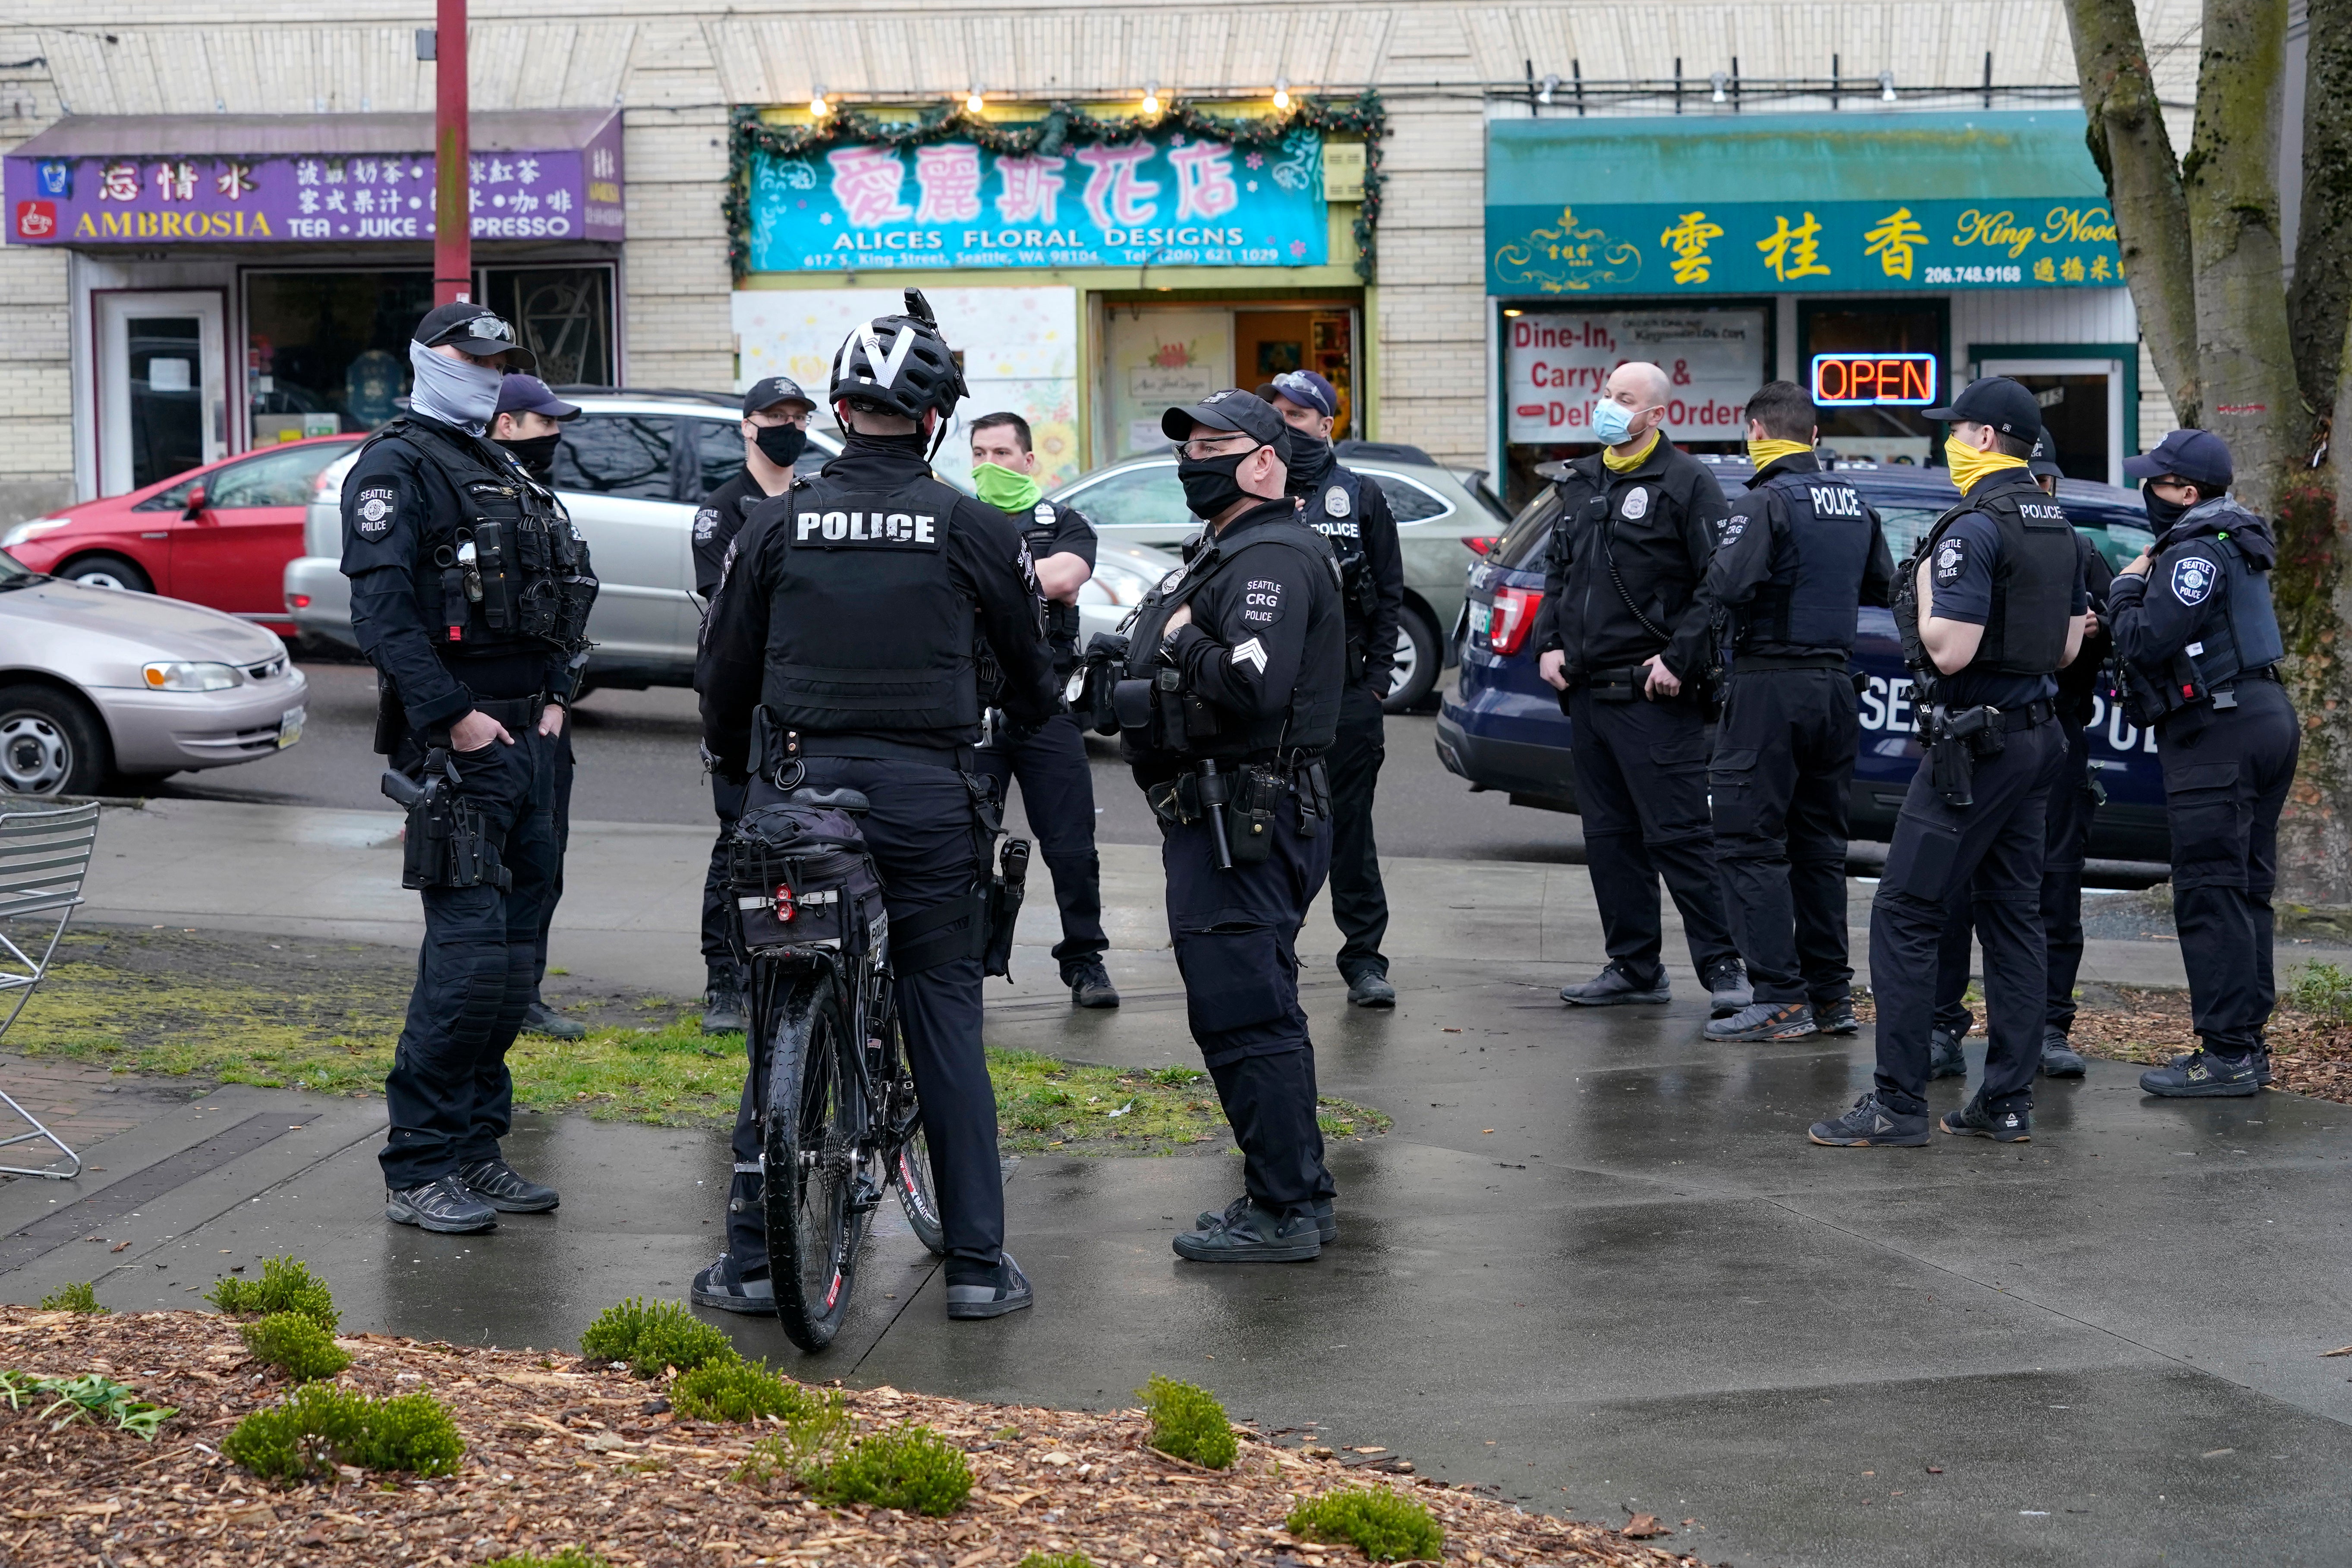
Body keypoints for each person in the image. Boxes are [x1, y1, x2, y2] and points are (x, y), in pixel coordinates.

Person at [694, 291, 1056, 1319]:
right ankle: (979, 1265)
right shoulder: (971, 524)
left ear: (837, 414)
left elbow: (721, 668)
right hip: (929, 797)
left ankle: (754, 1262)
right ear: (935, 420)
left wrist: (735, 763)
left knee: (778, 1008)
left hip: (797, 793)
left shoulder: (774, 522)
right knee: (942, 1008)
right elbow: (1032, 670)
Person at [340, 303, 598, 1233]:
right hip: (463, 754)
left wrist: (559, 699)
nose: (487, 371)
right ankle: (419, 1164)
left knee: (512, 968)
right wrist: (457, 722)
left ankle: (476, 1149)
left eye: (498, 359)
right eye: (470, 355)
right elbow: (383, 620)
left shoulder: (500, 465)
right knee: (465, 964)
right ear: (426, 359)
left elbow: (560, 596)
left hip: (534, 745)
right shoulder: (396, 465)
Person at [1809, 377, 2086, 1149]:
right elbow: (2066, 650)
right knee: (2013, 917)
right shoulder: (2056, 523)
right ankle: (2005, 1103)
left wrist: (1928, 587)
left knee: (1905, 913)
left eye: (1957, 430)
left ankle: (1897, 1104)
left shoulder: (1972, 527)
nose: (1950, 442)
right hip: (2035, 740)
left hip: (1978, 746)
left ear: (1989, 438)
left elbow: (1951, 647)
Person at [1115, 389, 1346, 1262]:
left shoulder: (1272, 557)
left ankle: (1282, 1209)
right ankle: (1297, 1191)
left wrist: (1178, 642)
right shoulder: (1227, 548)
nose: (1192, 460)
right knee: (1253, 1005)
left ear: (1262, 461)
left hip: (1246, 815)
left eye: (1214, 444)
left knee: (1243, 1010)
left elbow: (1254, 682)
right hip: (1222, 814)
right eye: (1187, 445)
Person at [1531, 362, 1750, 1016]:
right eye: (1605, 394)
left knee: (1680, 836)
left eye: (1624, 399)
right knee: (1609, 837)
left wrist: (1680, 660)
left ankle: (1723, 967)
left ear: (1656, 415)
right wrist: (1548, 643)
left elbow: (1719, 584)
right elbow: (1557, 570)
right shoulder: (1580, 480)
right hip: (1590, 694)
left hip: (1655, 695)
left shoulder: (1687, 483)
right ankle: (1633, 964)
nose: (1608, 406)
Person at [1700, 381, 1894, 1041]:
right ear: (1813, 436)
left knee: (1748, 841)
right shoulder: (1853, 502)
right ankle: (1830, 997)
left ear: (1756, 431)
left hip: (1769, 690)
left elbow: (1726, 585)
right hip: (1835, 688)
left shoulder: (1764, 501)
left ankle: (1779, 996)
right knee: (1818, 847)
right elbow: (1881, 584)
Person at [2107, 428, 2296, 1097]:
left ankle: (2226, 1055)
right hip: (2262, 716)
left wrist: (2125, 587)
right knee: (2245, 891)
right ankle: (2246, 1045)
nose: (2146, 491)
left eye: (2156, 482)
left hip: (2220, 730)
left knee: (2211, 890)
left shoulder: (2195, 551)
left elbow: (2146, 639)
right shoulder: (2234, 539)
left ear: (2188, 492)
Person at [1924, 429, 2111, 1082]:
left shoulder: (2078, 552)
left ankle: (2047, 1028)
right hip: (1981, 733)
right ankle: (1941, 1023)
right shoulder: (1978, 535)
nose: (2040, 493)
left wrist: (2099, 624)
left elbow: (2111, 640)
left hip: (2052, 737)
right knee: (1950, 892)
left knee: (2049, 890)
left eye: (2048, 483)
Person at [1258, 370, 1403, 1009]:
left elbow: (1391, 593)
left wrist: (1374, 684)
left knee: (1348, 831)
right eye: (1277, 411)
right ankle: (1272, 949)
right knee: (1268, 824)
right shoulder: (1258, 488)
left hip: (1345, 695)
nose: (1286, 422)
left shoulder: (1359, 496)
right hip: (1271, 696)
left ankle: (1365, 959)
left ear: (1326, 423)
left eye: (1298, 413)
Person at [967, 411, 1119, 1009]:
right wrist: (1028, 579)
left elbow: (1066, 577)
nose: (990, 464)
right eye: (979, 452)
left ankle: (1085, 959)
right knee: (965, 846)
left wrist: (986, 588)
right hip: (973, 708)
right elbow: (1040, 581)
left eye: (1003, 453)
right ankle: (967, 964)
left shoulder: (1066, 522)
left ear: (1030, 461)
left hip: (1047, 706)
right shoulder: (958, 518)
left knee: (1072, 844)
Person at [690, 376, 817, 1034]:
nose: (788, 425)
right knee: (736, 839)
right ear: (747, 425)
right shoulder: (724, 508)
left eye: (798, 415)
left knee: (808, 837)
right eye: (775, 415)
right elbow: (729, 607)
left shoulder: (815, 499)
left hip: (807, 697)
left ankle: (788, 961)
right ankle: (724, 979)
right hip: (745, 699)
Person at [488, 373, 591, 1043]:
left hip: (546, 715)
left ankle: (525, 993)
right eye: (542, 423)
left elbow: (565, 605)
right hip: (494, 721)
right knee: (493, 870)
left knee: (544, 863)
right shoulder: (480, 496)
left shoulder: (539, 497)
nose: (556, 434)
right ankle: (495, 992)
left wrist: (559, 695)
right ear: (505, 426)